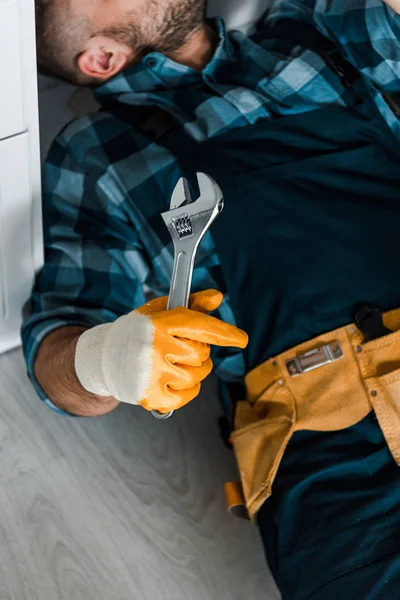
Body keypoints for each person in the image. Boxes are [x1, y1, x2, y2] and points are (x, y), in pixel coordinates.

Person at [25, 0, 400, 597]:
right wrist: (108, 360)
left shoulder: (318, 25)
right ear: (101, 57)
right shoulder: (96, 155)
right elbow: (53, 360)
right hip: (330, 457)